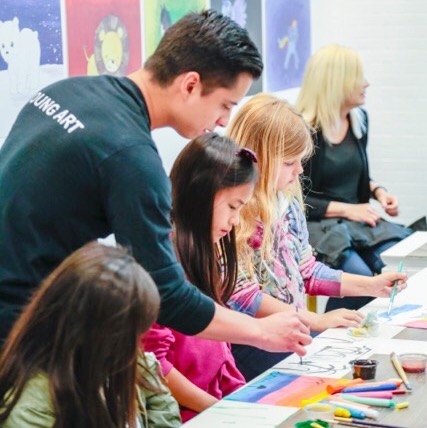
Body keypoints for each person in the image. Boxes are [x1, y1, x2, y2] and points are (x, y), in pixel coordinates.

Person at [0, 10, 309, 353]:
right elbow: (168, 295)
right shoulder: (132, 157)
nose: (223, 122)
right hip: (18, 327)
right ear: (190, 84)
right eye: (225, 104)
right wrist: (261, 332)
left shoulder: (67, 91)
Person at [225, 93, 407, 380]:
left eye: (300, 161)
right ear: (257, 157)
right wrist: (314, 320)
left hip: (289, 329)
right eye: (289, 163)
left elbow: (306, 270)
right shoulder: (232, 212)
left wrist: (371, 285)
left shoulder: (286, 202)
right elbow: (242, 295)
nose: (299, 171)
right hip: (250, 341)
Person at [143, 133, 311, 421]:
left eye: (241, 208)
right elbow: (153, 364)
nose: (235, 221)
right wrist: (217, 409)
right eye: (233, 206)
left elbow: (220, 354)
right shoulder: (160, 265)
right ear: (201, 194)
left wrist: (240, 398)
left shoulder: (206, 251)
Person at [0, 242, 181, 428]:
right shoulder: (31, 410)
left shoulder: (122, 358)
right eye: (130, 337)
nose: (136, 348)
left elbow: (160, 403)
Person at [296, 44, 412, 312]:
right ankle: (329, 336)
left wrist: (379, 192)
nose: (367, 83)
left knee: (400, 264)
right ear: (337, 82)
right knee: (361, 284)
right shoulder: (304, 130)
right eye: (359, 77)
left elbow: (354, 176)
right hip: (320, 225)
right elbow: (297, 198)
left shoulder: (359, 120)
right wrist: (350, 210)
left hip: (357, 222)